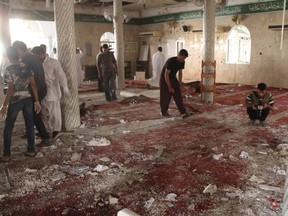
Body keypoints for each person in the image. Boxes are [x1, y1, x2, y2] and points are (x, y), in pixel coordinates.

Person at [0, 46, 41, 162]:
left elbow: (10, 90)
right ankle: (31, 149)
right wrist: (36, 101)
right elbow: (33, 85)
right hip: (27, 98)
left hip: (15, 100)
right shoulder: (27, 67)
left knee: (8, 127)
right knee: (29, 124)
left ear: (8, 56)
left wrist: (4, 105)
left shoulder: (8, 69)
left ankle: (6, 155)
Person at [12, 40, 51, 147]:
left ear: (19, 49)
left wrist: (34, 96)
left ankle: (45, 138)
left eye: (16, 51)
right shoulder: (33, 57)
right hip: (40, 88)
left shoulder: (27, 60)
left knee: (35, 115)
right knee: (34, 114)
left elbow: (31, 79)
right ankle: (37, 134)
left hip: (36, 90)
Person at [32, 45, 70, 139]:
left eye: (37, 56)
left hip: (52, 92)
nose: (36, 58)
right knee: (42, 113)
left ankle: (56, 130)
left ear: (43, 53)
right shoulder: (35, 63)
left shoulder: (53, 63)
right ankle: (46, 130)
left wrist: (65, 89)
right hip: (40, 93)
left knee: (54, 113)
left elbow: (62, 76)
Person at [159, 49, 192, 119]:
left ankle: (183, 112)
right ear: (179, 55)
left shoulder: (182, 62)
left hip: (173, 78)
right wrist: (169, 87)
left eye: (185, 58)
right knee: (166, 96)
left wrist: (180, 83)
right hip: (164, 79)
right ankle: (164, 112)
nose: (183, 60)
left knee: (178, 95)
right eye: (183, 58)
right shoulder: (171, 61)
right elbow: (166, 75)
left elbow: (180, 72)